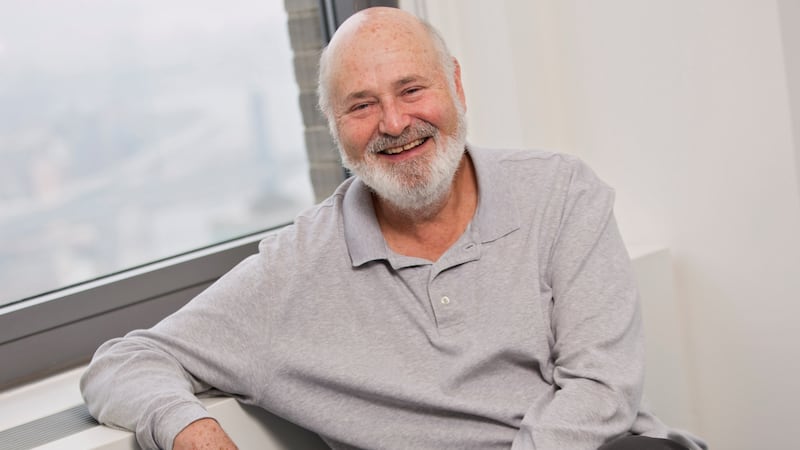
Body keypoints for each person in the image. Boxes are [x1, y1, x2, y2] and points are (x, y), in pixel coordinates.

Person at [81, 7, 706, 450]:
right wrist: (190, 430)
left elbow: (600, 388)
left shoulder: (561, 193)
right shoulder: (295, 269)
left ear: (456, 86)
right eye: (361, 104)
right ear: (334, 127)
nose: (394, 121)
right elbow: (122, 364)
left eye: (412, 88)